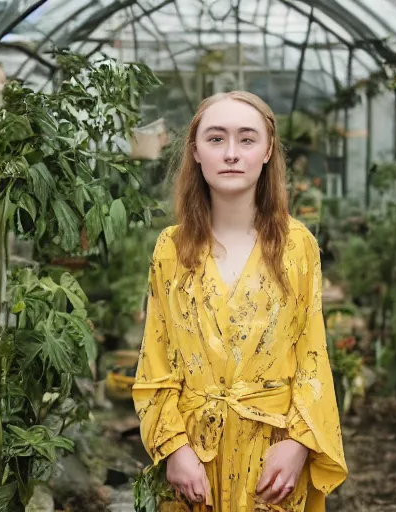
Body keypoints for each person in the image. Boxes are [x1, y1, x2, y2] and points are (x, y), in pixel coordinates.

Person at [132, 91, 348, 512]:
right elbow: (154, 360)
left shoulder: (297, 246)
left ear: (268, 150)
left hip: (273, 459)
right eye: (216, 139)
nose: (231, 153)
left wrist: (300, 444)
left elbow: (312, 355)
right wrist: (174, 448)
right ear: (195, 151)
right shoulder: (171, 249)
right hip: (195, 462)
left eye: (246, 139)